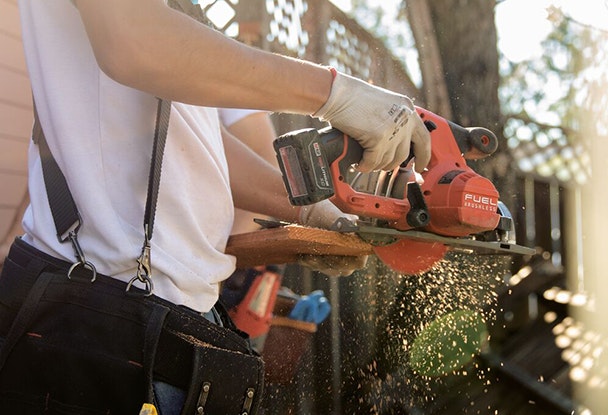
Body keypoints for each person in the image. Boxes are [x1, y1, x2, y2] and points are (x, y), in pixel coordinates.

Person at [0, 0, 432, 413]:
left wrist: (304, 210)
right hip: (94, 314)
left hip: (172, 321)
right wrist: (335, 92)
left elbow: (191, 144)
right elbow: (131, 38)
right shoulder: (141, 32)